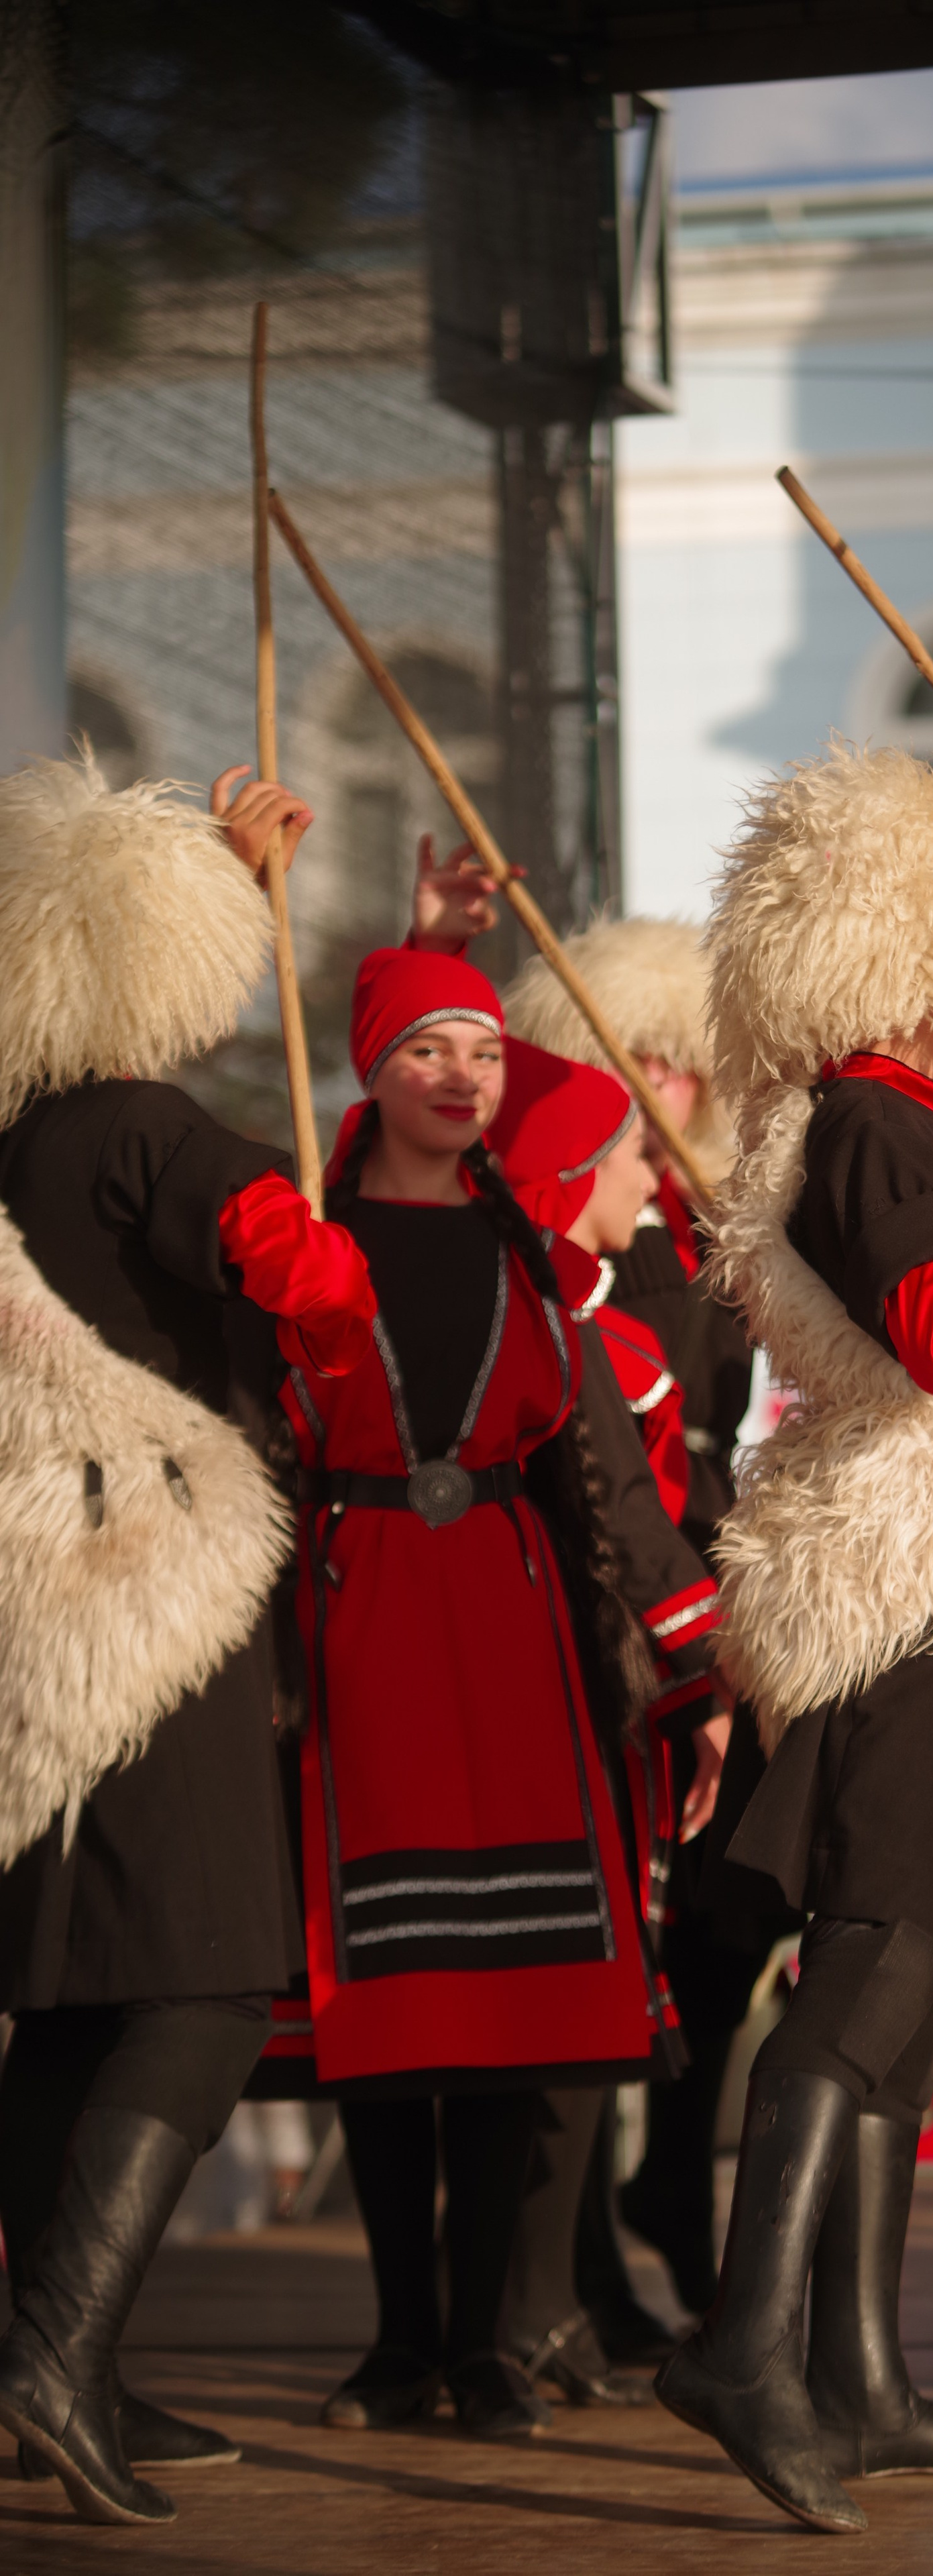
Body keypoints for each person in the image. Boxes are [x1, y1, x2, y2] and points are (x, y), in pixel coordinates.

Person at [653, 610, 933, 2532]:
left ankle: (864, 2368)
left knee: (919, 1987)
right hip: (906, 1563)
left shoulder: (893, 1102)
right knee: (877, 1955)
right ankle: (749, 2348)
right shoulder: (870, 1122)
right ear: (896, 976)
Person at [0, 756, 376, 2526]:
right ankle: (56, 2357)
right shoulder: (156, 1132)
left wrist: (234, 883)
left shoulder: (15, 1146)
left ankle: (57, 2362)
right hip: (169, 1582)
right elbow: (312, 1278)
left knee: (73, 1996)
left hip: (36, 1599)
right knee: (214, 1981)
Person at [286, 949, 721, 2445]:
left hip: (517, 1631)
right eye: (425, 1049)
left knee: (504, 2004)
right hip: (366, 1619)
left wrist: (688, 1669)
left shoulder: (531, 1250)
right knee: (393, 1994)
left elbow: (595, 1468)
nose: (464, 1074)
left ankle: (481, 2344)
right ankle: (398, 2337)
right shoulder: (306, 1238)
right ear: (366, 1073)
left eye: (482, 1049)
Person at [412, 871, 757, 2337]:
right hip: (604, 1613)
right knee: (594, 1959)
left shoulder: (719, 1238)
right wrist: (434, 957)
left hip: (706, 1591)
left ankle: (654, 2202)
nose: (665, 1084)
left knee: (716, 1943)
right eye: (639, 1058)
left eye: (678, 1058)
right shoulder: (570, 1237)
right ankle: (565, 2282)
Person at [483, 1038, 728, 2403]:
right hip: (549, 1682)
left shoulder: (600, 1319)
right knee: (547, 1999)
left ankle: (529, 2309)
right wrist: (705, 1679)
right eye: (626, 1147)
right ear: (575, 1173)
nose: (650, 1166)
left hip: (587, 1679)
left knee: (584, 2002)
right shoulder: (554, 1320)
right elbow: (626, 1522)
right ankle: (498, 2314)